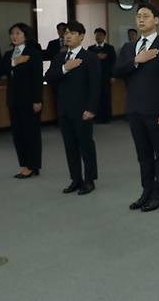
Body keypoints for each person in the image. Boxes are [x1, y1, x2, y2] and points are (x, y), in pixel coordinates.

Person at [114, 4, 159, 212]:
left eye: (146, 16)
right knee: (142, 154)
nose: (141, 20)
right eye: (138, 16)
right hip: (134, 108)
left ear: (156, 20)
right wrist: (136, 60)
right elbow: (116, 71)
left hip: (156, 110)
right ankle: (146, 191)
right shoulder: (128, 48)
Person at [45, 22, 100, 195]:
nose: (67, 36)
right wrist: (64, 68)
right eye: (66, 33)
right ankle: (75, 179)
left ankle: (89, 180)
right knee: (70, 146)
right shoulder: (59, 57)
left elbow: (95, 86)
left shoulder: (89, 57)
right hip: (63, 110)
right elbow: (49, 77)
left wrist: (91, 108)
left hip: (83, 110)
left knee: (86, 145)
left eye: (72, 33)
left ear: (82, 36)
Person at [0, 23, 43, 179]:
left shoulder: (33, 53)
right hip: (13, 100)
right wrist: (14, 63)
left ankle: (33, 166)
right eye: (12, 33)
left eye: (18, 33)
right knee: (18, 134)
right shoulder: (9, 54)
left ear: (25, 35)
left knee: (31, 133)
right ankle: (24, 165)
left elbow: (37, 78)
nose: (14, 36)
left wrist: (37, 100)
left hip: (30, 99)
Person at [88, 28, 117, 123]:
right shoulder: (91, 49)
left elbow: (114, 63)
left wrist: (113, 75)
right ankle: (96, 117)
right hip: (94, 77)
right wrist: (96, 57)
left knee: (106, 97)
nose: (98, 37)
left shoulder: (109, 48)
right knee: (95, 96)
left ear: (104, 36)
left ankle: (106, 118)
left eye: (100, 35)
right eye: (96, 35)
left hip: (106, 76)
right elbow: (87, 62)